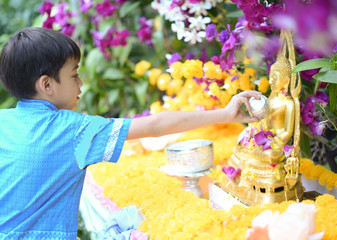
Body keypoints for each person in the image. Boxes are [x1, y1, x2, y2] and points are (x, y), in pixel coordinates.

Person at [0, 27, 261, 239]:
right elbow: (154, 126)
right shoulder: (73, 130)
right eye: (74, 75)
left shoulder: (4, 121)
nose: (81, 83)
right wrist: (226, 114)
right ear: (47, 84)